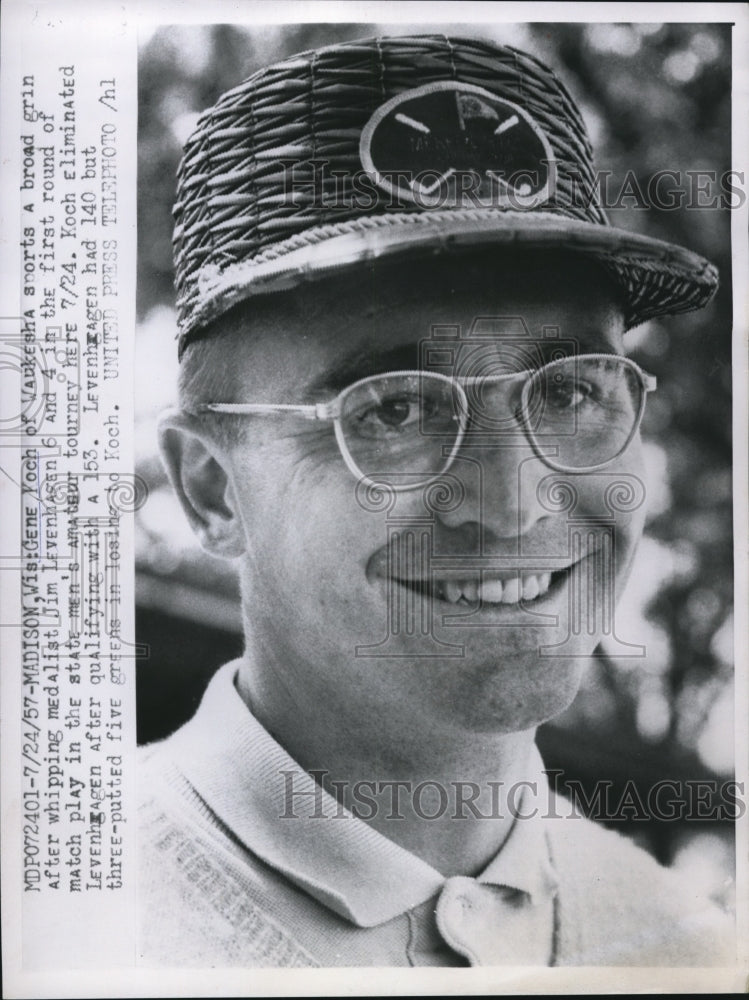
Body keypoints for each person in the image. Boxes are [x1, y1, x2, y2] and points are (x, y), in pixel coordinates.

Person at [138, 33, 734, 967]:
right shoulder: (60, 916)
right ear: (212, 490)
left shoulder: (692, 954)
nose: (510, 505)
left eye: (570, 392)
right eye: (397, 409)